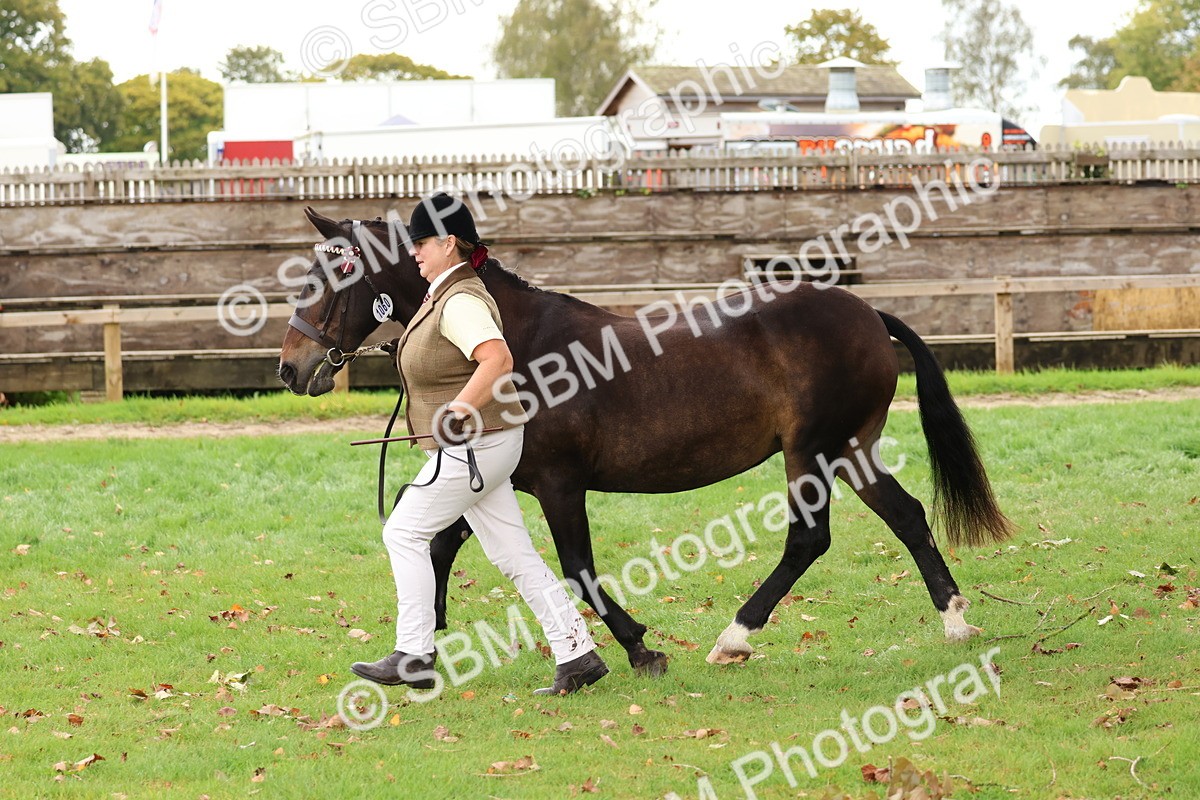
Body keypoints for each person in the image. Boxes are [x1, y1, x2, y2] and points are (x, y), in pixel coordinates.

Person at [351, 193, 608, 696]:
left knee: (402, 532)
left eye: (421, 243)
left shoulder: (462, 299)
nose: (415, 253)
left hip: (474, 446)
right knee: (515, 555)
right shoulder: (445, 294)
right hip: (486, 445)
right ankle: (577, 653)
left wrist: (461, 407)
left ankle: (414, 653)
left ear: (448, 244)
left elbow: (497, 359)